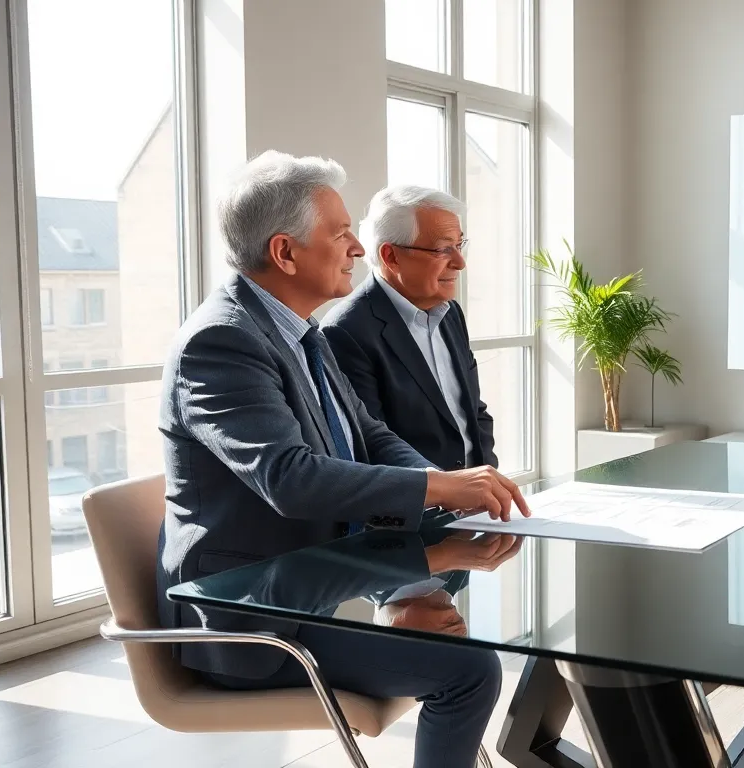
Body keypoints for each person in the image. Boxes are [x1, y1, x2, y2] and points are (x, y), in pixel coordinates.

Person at [154, 150, 529, 768]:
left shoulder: (298, 328)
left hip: (312, 581)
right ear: (285, 252)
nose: (358, 247)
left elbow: (371, 434)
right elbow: (289, 478)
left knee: (471, 624)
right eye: (342, 234)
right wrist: (438, 489)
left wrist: (447, 487)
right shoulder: (221, 342)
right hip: (253, 622)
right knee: (470, 670)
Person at [323, 185, 495, 471]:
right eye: (443, 249)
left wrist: (484, 476)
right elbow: (370, 446)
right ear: (391, 256)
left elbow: (474, 412)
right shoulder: (346, 331)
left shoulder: (451, 313)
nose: (460, 262)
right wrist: (447, 493)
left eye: (460, 245)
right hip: (417, 508)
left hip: (474, 499)